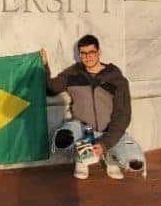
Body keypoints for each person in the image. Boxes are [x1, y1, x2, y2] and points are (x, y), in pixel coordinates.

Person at [42, 34, 141, 180]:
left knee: (135, 160)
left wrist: (105, 144)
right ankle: (82, 158)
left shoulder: (117, 79)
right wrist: (44, 65)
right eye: (83, 53)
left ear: (99, 52)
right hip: (83, 130)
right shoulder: (72, 74)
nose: (87, 57)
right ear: (79, 54)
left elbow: (123, 115)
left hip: (108, 131)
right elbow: (51, 88)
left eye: (91, 52)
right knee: (63, 138)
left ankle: (111, 156)